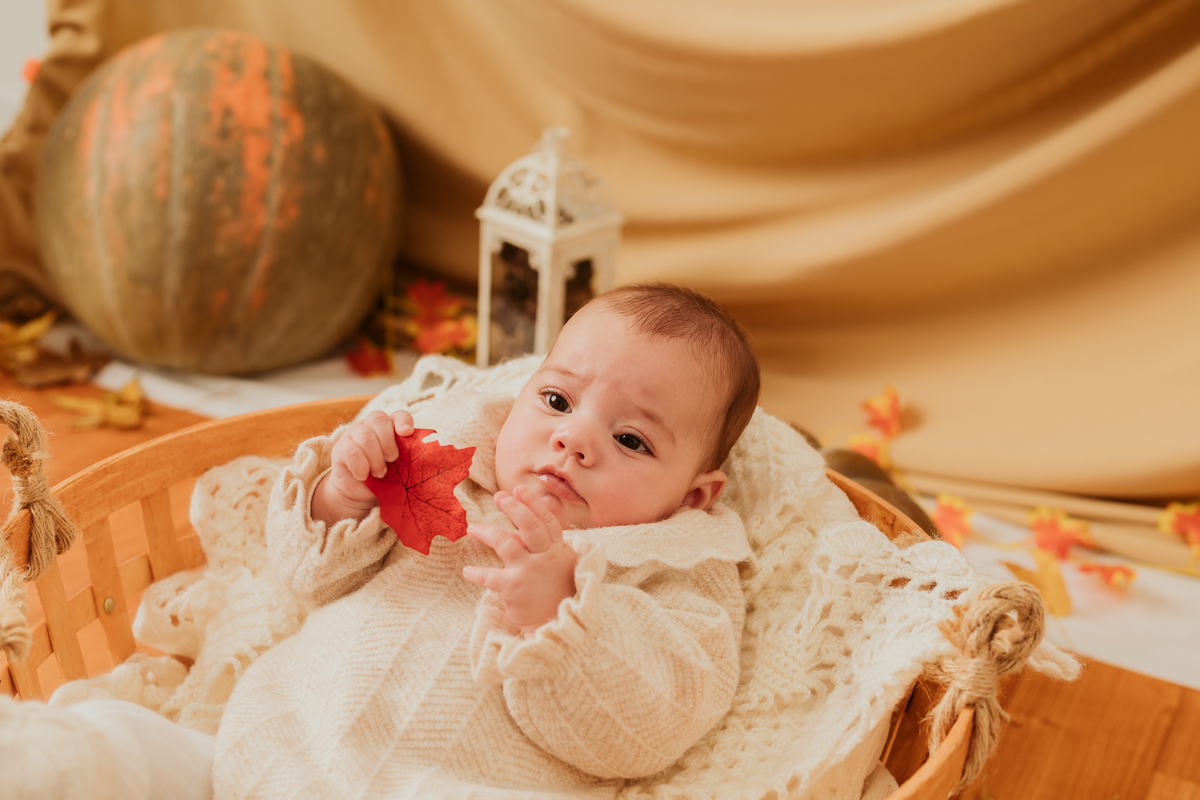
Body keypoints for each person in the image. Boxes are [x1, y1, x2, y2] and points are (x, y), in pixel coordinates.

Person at [211, 283, 761, 799]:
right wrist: (343, 495)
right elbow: (306, 579)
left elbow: (652, 728)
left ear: (693, 497)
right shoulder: (447, 457)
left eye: (629, 439)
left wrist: (560, 615)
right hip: (288, 729)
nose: (573, 438)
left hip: (461, 784)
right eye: (557, 401)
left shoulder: (682, 569)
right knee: (130, 750)